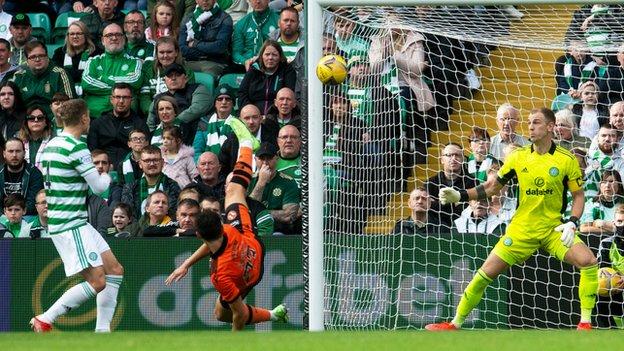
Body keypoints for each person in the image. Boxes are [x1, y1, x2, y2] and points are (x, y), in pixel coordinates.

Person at [425, 107, 599, 331]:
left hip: (553, 230)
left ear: (550, 127)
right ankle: (455, 323)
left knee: (589, 261)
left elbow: (578, 196)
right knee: (485, 272)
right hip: (521, 230)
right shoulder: (518, 156)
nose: (530, 127)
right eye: (528, 123)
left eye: (536, 122)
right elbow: (491, 186)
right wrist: (460, 195)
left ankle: (585, 323)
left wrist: (572, 222)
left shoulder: (566, 160)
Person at [165, 117, 288, 331]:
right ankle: (248, 145)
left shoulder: (221, 276)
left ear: (199, 236)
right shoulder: (228, 229)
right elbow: (213, 243)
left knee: (224, 314)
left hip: (248, 272)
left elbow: (239, 315)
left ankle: (248, 143)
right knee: (235, 190)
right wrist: (186, 264)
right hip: (249, 242)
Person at [33, 99, 124, 333]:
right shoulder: (76, 147)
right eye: (89, 118)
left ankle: (102, 333)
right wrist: (107, 175)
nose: (90, 121)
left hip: (72, 221)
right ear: (84, 118)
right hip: (70, 223)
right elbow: (98, 188)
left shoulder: (52, 144)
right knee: (98, 281)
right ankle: (45, 318)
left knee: (114, 270)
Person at [82, 23, 143, 119]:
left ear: (124, 39)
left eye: (118, 35)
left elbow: (135, 82)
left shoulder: (135, 62)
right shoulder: (93, 61)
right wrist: (120, 89)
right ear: (102, 40)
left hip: (124, 117)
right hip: (94, 116)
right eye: (109, 35)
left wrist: (104, 78)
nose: (114, 38)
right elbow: (86, 84)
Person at [87, 83, 150, 166]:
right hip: (103, 168)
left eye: (125, 97)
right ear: (111, 99)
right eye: (117, 97)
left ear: (131, 100)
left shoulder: (140, 124)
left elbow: (145, 152)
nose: (121, 101)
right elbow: (92, 151)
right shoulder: (98, 123)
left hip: (131, 168)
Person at [7, 41, 75, 117]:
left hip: (53, 120)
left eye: (41, 56)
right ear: (27, 60)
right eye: (33, 57)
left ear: (47, 57)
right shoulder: (19, 76)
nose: (37, 59)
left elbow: (70, 104)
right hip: (25, 120)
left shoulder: (60, 74)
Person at [248, 142, 300, 235]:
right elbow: (248, 213)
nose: (265, 163)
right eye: (261, 159)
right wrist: (261, 183)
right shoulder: (248, 180)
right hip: (251, 229)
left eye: (269, 158)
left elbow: (289, 216)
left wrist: (260, 214)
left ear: (277, 158)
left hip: (278, 231)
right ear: (255, 159)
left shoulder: (288, 182)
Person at [147, 63, 212, 135]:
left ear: (186, 78)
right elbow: (151, 121)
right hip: (164, 137)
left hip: (194, 133)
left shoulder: (198, 88)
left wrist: (174, 122)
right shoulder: (159, 97)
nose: (173, 78)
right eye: (170, 75)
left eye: (177, 75)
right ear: (165, 80)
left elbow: (197, 109)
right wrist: (153, 136)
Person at [139, 37, 196, 117]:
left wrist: (171, 115)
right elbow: (144, 98)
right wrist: (156, 113)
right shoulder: (148, 69)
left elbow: (189, 98)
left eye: (169, 52)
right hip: (153, 114)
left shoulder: (186, 71)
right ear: (157, 54)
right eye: (161, 52)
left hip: (178, 114)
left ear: (176, 52)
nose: (165, 56)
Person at [237, 40, 296, 116]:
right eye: (267, 54)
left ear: (280, 57)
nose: (270, 58)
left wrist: (273, 116)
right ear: (262, 56)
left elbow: (289, 95)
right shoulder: (254, 70)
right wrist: (252, 112)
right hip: (253, 116)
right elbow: (242, 93)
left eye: (274, 55)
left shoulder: (287, 71)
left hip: (277, 116)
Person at [120, 144, 180, 220]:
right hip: (138, 230)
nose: (152, 164)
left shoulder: (173, 186)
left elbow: (174, 213)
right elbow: (128, 215)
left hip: (165, 229)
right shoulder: (130, 188)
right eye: (147, 161)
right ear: (140, 164)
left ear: (162, 163)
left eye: (155, 160)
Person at [179, 0, 233, 81]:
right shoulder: (188, 18)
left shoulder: (225, 18)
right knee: (176, 74)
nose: (205, 1)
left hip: (214, 62)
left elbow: (219, 47)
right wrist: (206, 52)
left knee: (207, 77)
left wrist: (195, 44)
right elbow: (182, 48)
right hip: (190, 61)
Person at [426, 143, 476, 229]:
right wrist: (455, 204)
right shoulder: (431, 183)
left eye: (457, 155)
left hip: (465, 228)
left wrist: (439, 204)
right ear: (442, 159)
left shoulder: (472, 182)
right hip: (435, 229)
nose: (453, 158)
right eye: (449, 155)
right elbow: (428, 207)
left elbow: (472, 208)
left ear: (463, 159)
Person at [219, 104, 278, 177]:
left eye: (255, 117)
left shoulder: (272, 136)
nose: (251, 122)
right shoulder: (232, 139)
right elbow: (222, 168)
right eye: (247, 118)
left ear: (261, 118)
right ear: (240, 120)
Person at [51, 21, 101, 96]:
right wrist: (82, 73)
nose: (75, 36)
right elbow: (56, 74)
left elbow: (95, 75)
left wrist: (68, 72)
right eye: (72, 34)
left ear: (86, 35)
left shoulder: (97, 53)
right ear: (68, 36)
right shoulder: (59, 53)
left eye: (79, 33)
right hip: (64, 94)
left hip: (90, 93)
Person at [594, 205, 624, 328]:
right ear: (614, 223)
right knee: (600, 291)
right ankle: (610, 332)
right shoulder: (606, 243)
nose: (622, 225)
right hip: (617, 289)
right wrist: (617, 279)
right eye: (620, 221)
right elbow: (602, 271)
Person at [0, 137, 44, 215]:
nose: (14, 155)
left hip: (27, 216)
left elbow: (33, 203)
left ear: (24, 153)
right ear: (4, 154)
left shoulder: (34, 173)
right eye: (10, 151)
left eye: (18, 151)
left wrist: (17, 215)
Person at [231, 0, 279, 70]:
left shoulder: (279, 21)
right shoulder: (241, 24)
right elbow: (236, 52)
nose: (258, 1)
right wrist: (244, 61)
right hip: (248, 67)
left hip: (272, 65)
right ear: (249, 1)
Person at [192, 85, 235, 159]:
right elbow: (197, 151)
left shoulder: (239, 123)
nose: (224, 102)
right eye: (220, 99)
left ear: (233, 103)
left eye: (228, 99)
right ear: (215, 103)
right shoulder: (204, 123)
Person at [580, 170, 624, 236]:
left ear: (619, 185)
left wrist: (603, 224)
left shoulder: (622, 202)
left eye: (611, 181)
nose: (607, 185)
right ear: (600, 185)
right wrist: (613, 229)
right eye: (604, 182)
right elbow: (583, 229)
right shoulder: (592, 203)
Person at [17, 105, 52, 171]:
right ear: (26, 122)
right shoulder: (19, 141)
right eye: (31, 118)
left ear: (46, 122)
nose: (36, 120)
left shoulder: (53, 141)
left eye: (40, 118)